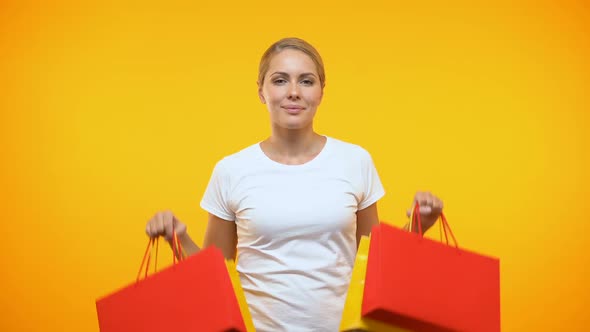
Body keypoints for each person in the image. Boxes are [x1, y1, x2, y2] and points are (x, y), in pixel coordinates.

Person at [145, 37, 444, 331]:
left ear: (321, 92)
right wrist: (178, 238)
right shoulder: (231, 170)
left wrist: (421, 224)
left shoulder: (355, 161)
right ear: (261, 92)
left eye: (306, 81)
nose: (293, 92)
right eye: (279, 80)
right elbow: (215, 278)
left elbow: (375, 266)